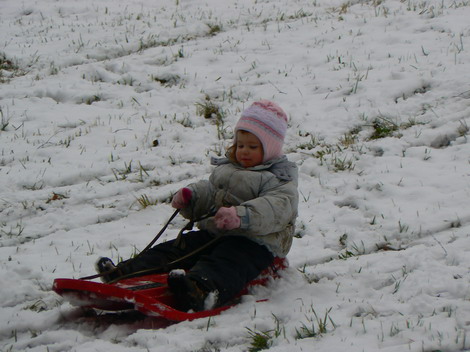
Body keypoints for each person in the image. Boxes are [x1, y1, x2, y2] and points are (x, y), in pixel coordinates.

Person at [96, 100, 299, 312]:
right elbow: (211, 192)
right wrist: (192, 197)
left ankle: (201, 291)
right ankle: (127, 272)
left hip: (255, 243)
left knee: (226, 263)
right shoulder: (227, 170)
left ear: (271, 149)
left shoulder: (279, 179)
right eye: (240, 145)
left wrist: (241, 216)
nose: (244, 152)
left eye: (253, 147)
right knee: (178, 248)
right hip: (216, 233)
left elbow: (275, 208)